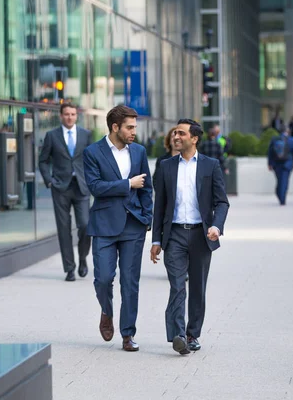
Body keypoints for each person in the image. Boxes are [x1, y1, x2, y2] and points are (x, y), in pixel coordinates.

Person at [150, 118, 229, 355]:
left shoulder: (210, 165)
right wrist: (155, 240)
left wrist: (217, 226)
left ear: (194, 138)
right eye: (175, 132)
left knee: (197, 287)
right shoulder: (166, 166)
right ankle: (178, 334)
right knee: (176, 285)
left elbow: (222, 202)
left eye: (181, 133)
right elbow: (160, 206)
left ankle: (193, 333)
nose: (176, 136)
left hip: (201, 235)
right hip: (174, 234)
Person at [83, 105, 153, 352]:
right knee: (103, 279)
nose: (134, 131)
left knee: (130, 282)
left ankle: (127, 334)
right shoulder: (93, 152)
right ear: (115, 127)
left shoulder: (139, 151)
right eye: (130, 127)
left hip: (133, 224)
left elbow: (146, 187)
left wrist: (147, 217)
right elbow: (95, 187)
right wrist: (127, 184)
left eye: (135, 127)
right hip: (104, 225)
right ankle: (106, 311)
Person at [39, 103, 93, 282]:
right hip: (60, 187)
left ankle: (83, 257)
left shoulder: (85, 135)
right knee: (63, 229)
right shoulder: (51, 136)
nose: (70, 117)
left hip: (81, 187)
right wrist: (49, 180)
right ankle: (69, 268)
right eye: (66, 114)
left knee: (85, 225)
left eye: (72, 114)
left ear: (76, 116)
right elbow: (43, 160)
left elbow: (92, 160)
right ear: (61, 116)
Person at [267, 127, 293, 205]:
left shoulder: (275, 139)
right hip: (287, 164)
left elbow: (270, 152)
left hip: (276, 164)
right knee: (284, 181)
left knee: (279, 181)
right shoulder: (291, 140)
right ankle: (282, 199)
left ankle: (279, 194)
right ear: (288, 132)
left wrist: (270, 163)